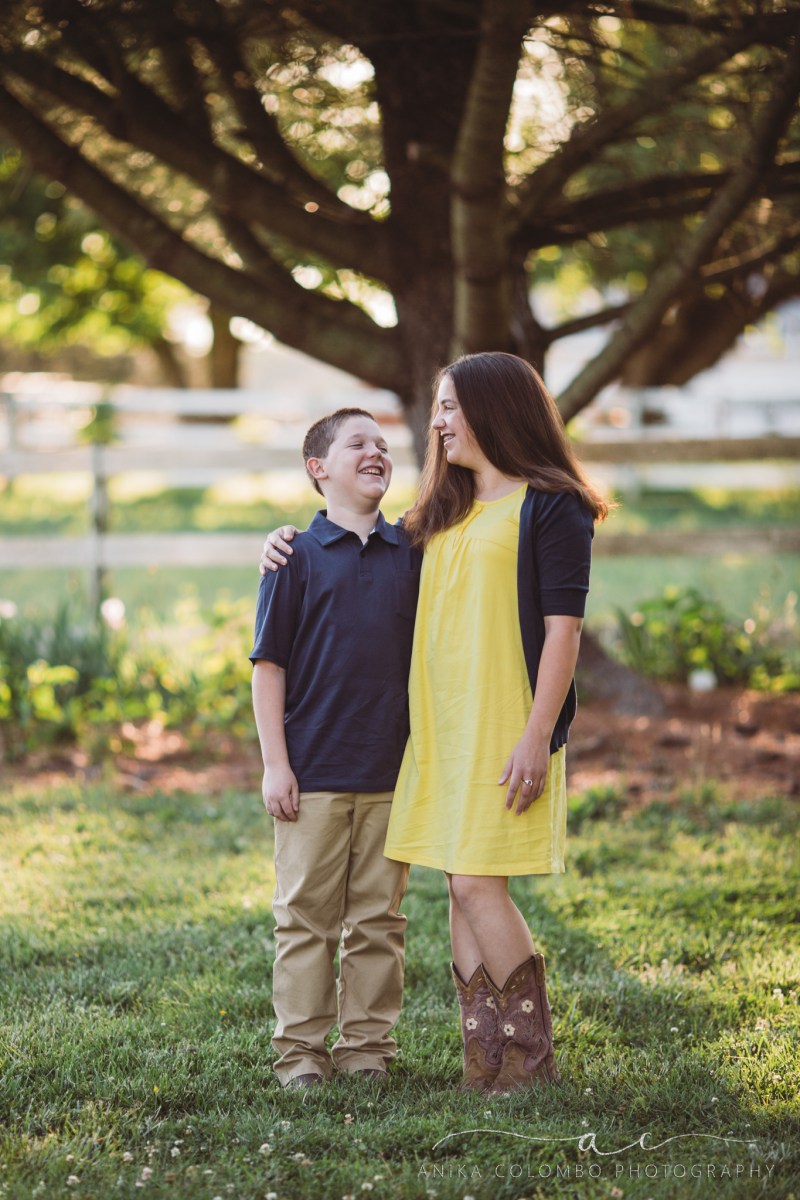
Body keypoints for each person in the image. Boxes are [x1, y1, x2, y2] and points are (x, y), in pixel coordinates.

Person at [261, 353, 608, 1096]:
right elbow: (349, 551)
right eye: (438, 408)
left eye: (449, 407)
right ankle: (483, 1062)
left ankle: (530, 1061)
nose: (438, 423)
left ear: (495, 409)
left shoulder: (552, 505)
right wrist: (280, 542)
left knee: (479, 886)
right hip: (437, 733)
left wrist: (537, 735)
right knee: (457, 887)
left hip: (504, 726)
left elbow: (564, 631)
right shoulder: (437, 515)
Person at [250, 407, 420, 1090]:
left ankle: (366, 1050)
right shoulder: (292, 557)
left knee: (380, 919)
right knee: (306, 920)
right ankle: (300, 1055)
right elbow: (270, 668)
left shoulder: (413, 549)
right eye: (359, 444)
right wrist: (275, 764)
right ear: (318, 469)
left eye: (384, 445)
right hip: (312, 772)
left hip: (391, 770)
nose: (376, 452)